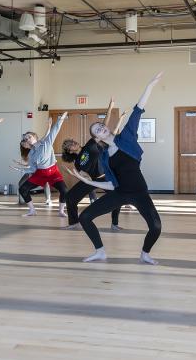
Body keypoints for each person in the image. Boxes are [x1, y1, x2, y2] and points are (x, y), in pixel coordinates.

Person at [65, 72, 163, 264]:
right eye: (95, 131)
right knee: (85, 217)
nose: (100, 129)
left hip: (139, 192)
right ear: (97, 138)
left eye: (100, 126)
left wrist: (150, 86)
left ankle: (145, 254)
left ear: (106, 129)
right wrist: (87, 181)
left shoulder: (126, 137)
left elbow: (138, 110)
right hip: (119, 192)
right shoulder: (104, 156)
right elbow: (111, 183)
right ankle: (100, 251)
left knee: (156, 227)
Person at [61, 99, 126, 230]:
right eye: (69, 145)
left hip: (105, 176)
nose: (73, 144)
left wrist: (110, 108)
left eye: (72, 142)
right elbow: (85, 176)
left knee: (118, 195)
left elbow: (103, 125)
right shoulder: (77, 162)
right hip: (92, 179)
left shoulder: (91, 144)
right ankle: (74, 223)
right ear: (70, 151)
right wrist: (79, 175)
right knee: (70, 197)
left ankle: (114, 224)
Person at [15, 113, 69, 217]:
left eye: (29, 137)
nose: (27, 139)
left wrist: (60, 119)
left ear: (35, 137)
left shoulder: (46, 142)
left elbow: (55, 130)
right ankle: (32, 211)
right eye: (26, 139)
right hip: (40, 173)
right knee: (22, 189)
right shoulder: (31, 153)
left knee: (64, 190)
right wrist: (21, 169)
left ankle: (61, 211)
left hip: (53, 172)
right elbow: (32, 168)